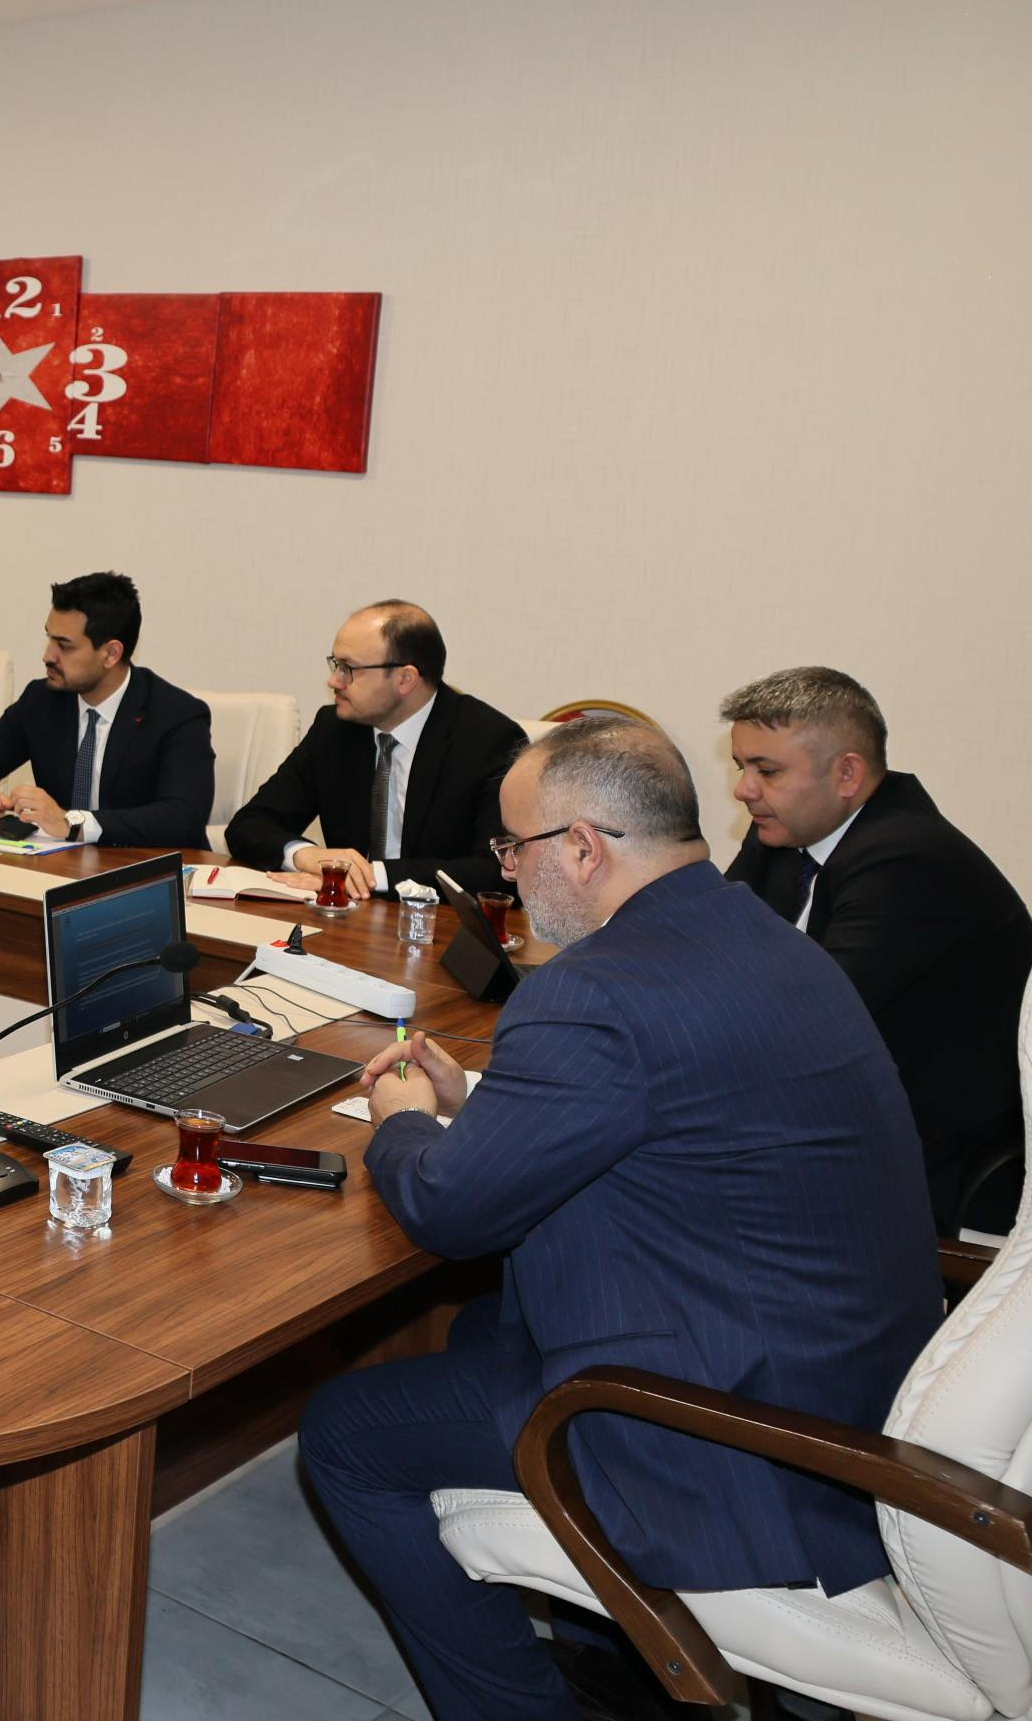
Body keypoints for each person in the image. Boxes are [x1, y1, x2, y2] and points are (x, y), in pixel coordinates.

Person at [298, 717, 937, 1721]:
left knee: (345, 1431)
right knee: (481, 1325)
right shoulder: (763, 935)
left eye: (513, 847)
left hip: (736, 1441)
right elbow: (674, 1111)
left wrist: (402, 1120)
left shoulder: (593, 991)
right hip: (848, 1386)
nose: (506, 871)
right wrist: (484, 1104)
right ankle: (626, 1667)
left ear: (584, 847)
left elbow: (446, 1210)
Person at [720, 667, 1032, 1231]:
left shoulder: (909, 857)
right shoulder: (785, 829)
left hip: (934, 1165)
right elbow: (707, 949)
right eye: (741, 766)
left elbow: (801, 1017)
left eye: (767, 771)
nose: (744, 789)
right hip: (832, 1125)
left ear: (847, 774)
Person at [224, 600, 525, 897]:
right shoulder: (335, 729)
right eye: (335, 664)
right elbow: (248, 825)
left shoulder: (488, 741)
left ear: (405, 679)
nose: (334, 681)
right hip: (345, 917)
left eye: (348, 668)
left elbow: (498, 869)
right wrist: (305, 856)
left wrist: (370, 876)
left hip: (436, 921)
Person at [0, 570, 212, 847]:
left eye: (64, 646)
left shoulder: (177, 715)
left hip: (144, 865)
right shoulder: (42, 701)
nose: (47, 656)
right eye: (49, 638)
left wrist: (73, 823)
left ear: (111, 654)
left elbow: (183, 817)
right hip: (62, 865)